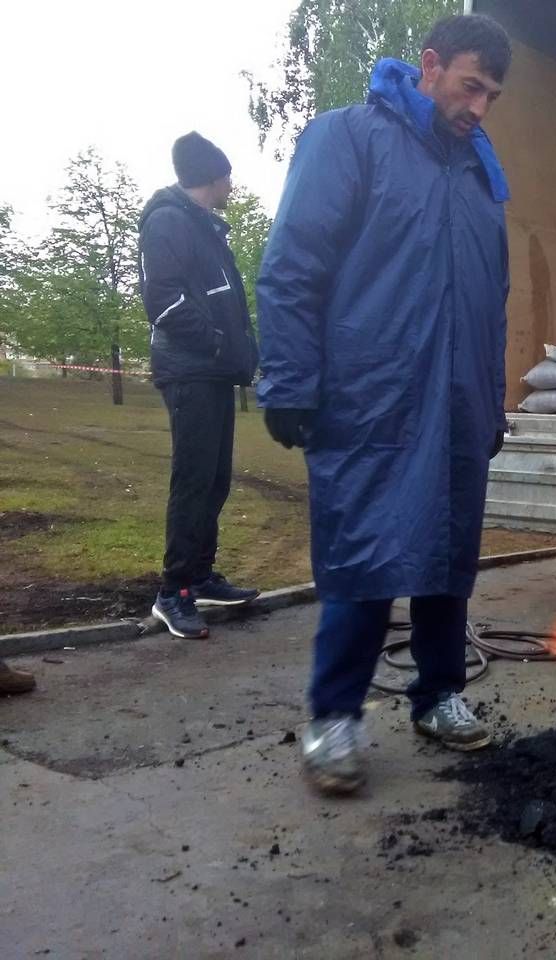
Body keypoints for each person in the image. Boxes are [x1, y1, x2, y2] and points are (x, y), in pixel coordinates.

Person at [256, 14, 512, 795]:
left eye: (493, 95)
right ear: (428, 66)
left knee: (446, 557)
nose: (481, 107)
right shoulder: (348, 139)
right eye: (471, 86)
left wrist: (490, 401)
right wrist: (292, 380)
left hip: (458, 396)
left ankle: (438, 696)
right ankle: (334, 716)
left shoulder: (477, 175)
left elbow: (491, 301)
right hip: (374, 396)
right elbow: (293, 268)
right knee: (364, 558)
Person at [139, 133, 261, 639]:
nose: (232, 184)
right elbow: (163, 302)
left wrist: (236, 351)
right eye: (228, 176)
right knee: (192, 481)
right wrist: (214, 343)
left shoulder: (205, 228)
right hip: (189, 370)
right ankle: (173, 592)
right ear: (212, 178)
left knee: (214, 479)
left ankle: (201, 575)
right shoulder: (168, 222)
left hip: (212, 372)